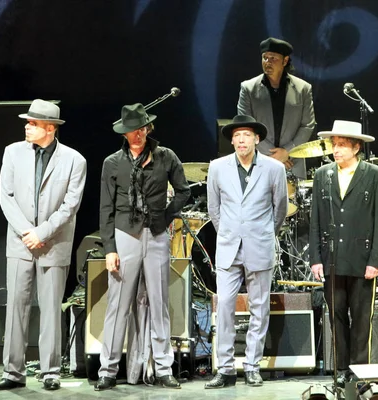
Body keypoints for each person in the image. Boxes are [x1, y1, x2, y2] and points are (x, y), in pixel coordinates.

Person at [0, 99, 87, 391]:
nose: (27, 126)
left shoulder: (74, 160)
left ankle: (50, 371)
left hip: (53, 244)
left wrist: (41, 232)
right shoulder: (12, 152)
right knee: (16, 307)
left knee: (50, 308)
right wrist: (25, 231)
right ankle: (13, 372)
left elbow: (70, 205)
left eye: (32, 123)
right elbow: (5, 197)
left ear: (50, 128)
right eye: (28, 122)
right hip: (20, 244)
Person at [94, 103, 190, 391]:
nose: (137, 135)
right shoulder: (112, 163)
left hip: (157, 235)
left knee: (159, 303)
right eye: (132, 131)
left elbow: (184, 192)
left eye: (141, 129)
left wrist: (165, 214)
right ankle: (108, 370)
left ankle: (163, 368)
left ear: (148, 129)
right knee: (118, 305)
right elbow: (105, 209)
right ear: (124, 133)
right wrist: (110, 248)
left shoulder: (165, 157)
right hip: (125, 236)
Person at [205, 115, 288, 389]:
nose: (241, 140)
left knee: (259, 309)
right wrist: (230, 232)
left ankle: (253, 366)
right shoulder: (217, 168)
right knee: (225, 307)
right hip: (229, 248)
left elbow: (280, 210)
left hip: (259, 246)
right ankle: (225, 368)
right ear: (231, 140)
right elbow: (213, 210)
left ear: (256, 139)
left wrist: (262, 233)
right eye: (237, 135)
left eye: (246, 135)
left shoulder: (274, 169)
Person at [309, 120, 378, 386]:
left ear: (357, 147)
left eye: (342, 144)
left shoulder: (373, 174)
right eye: (335, 144)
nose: (337, 149)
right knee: (337, 315)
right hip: (333, 258)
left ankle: (359, 368)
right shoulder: (323, 174)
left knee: (361, 317)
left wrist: (376, 259)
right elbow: (316, 219)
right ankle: (342, 368)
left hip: (362, 257)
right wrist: (316, 258)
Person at [237, 37, 316, 180]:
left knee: (292, 202)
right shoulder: (248, 88)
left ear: (285, 61)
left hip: (292, 161)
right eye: (265, 58)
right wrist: (273, 156)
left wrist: (287, 151)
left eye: (273, 58)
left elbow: (308, 124)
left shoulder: (303, 88)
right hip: (259, 160)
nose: (267, 62)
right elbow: (246, 126)